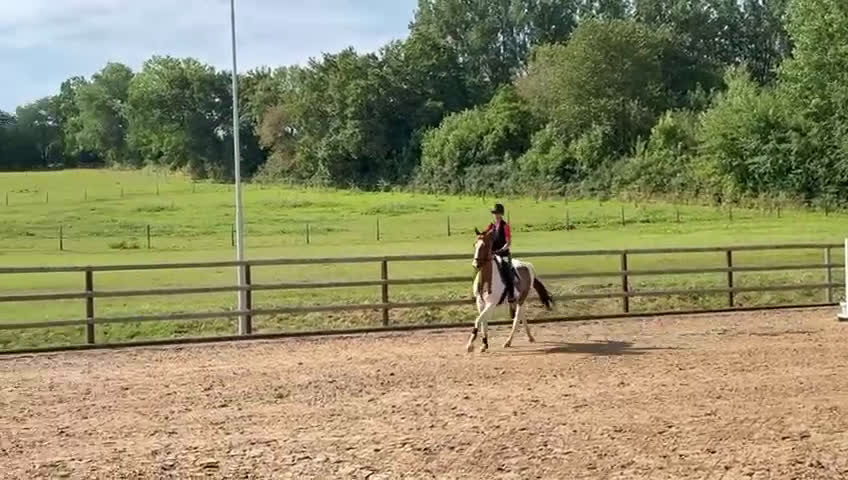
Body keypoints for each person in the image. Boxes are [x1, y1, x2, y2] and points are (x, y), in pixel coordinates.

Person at [485, 203, 515, 303]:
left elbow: (508, 242)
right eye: (494, 213)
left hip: (504, 254)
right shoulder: (492, 226)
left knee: (506, 271)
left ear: (501, 214)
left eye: (497, 213)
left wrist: (501, 250)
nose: (496, 215)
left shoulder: (505, 226)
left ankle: (511, 295)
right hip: (493, 254)